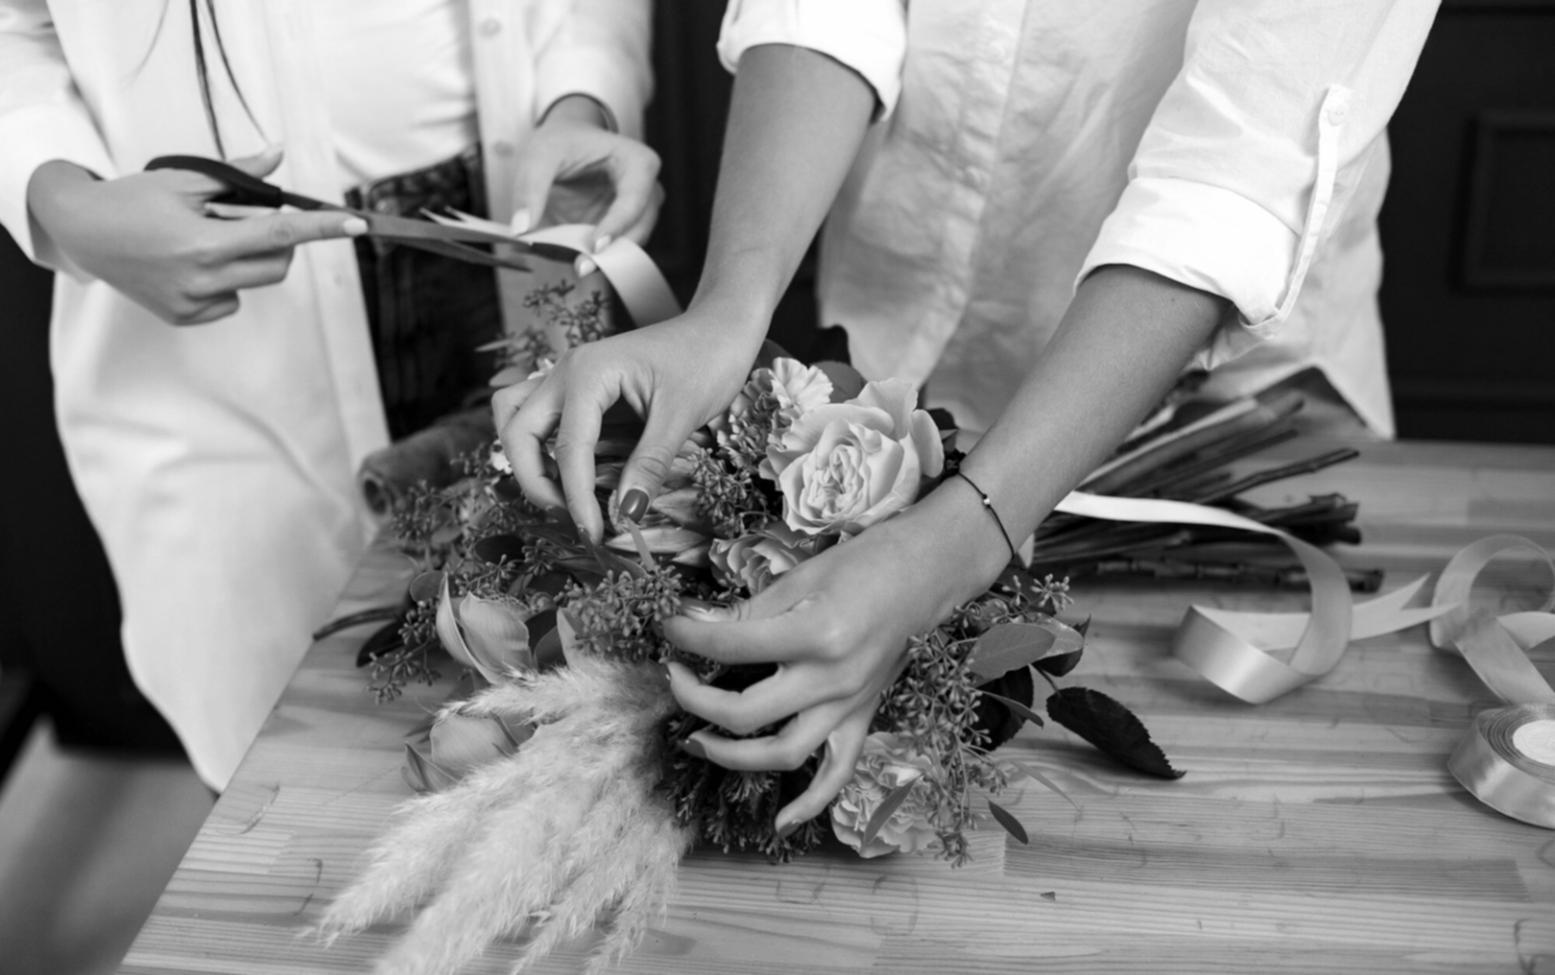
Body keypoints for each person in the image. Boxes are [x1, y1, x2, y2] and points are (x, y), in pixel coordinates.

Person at [493, 0, 1440, 834]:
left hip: (1205, 382)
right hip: (908, 333)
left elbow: (1232, 174)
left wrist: (961, 535)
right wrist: (728, 312)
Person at [0, 0, 656, 789]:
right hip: (222, 324)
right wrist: (56, 197)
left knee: (578, 741)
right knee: (295, 776)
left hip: (517, 243)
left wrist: (583, 93)